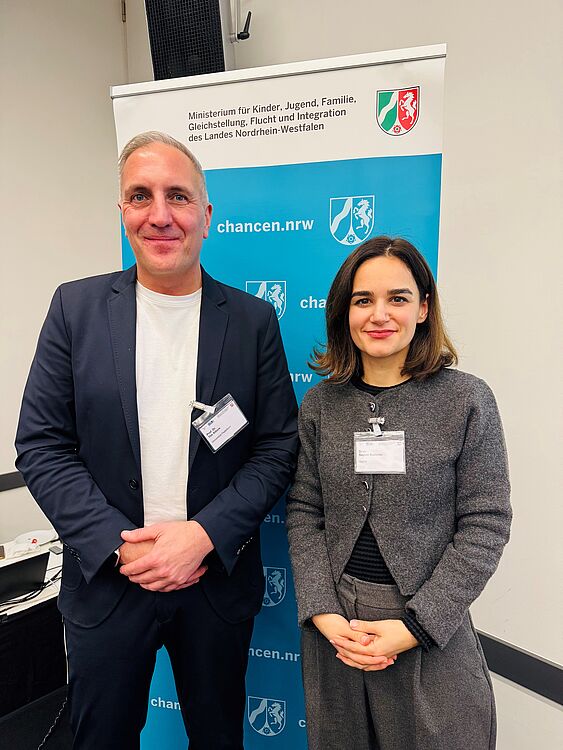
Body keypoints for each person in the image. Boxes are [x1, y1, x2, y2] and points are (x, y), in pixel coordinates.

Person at [15, 131, 298, 749]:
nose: (160, 215)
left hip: (214, 584)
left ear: (206, 216)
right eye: (141, 196)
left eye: (178, 196)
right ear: (123, 210)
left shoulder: (252, 321)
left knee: (218, 738)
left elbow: (277, 448)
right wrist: (121, 549)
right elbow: (41, 444)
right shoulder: (75, 309)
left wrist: (202, 536)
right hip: (109, 583)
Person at [286, 236, 511, 750]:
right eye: (363, 300)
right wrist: (323, 611)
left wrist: (415, 626)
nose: (379, 314)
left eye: (398, 298)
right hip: (338, 634)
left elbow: (486, 523)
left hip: (429, 632)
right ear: (344, 312)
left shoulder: (466, 400)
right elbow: (304, 509)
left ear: (424, 308)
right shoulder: (320, 405)